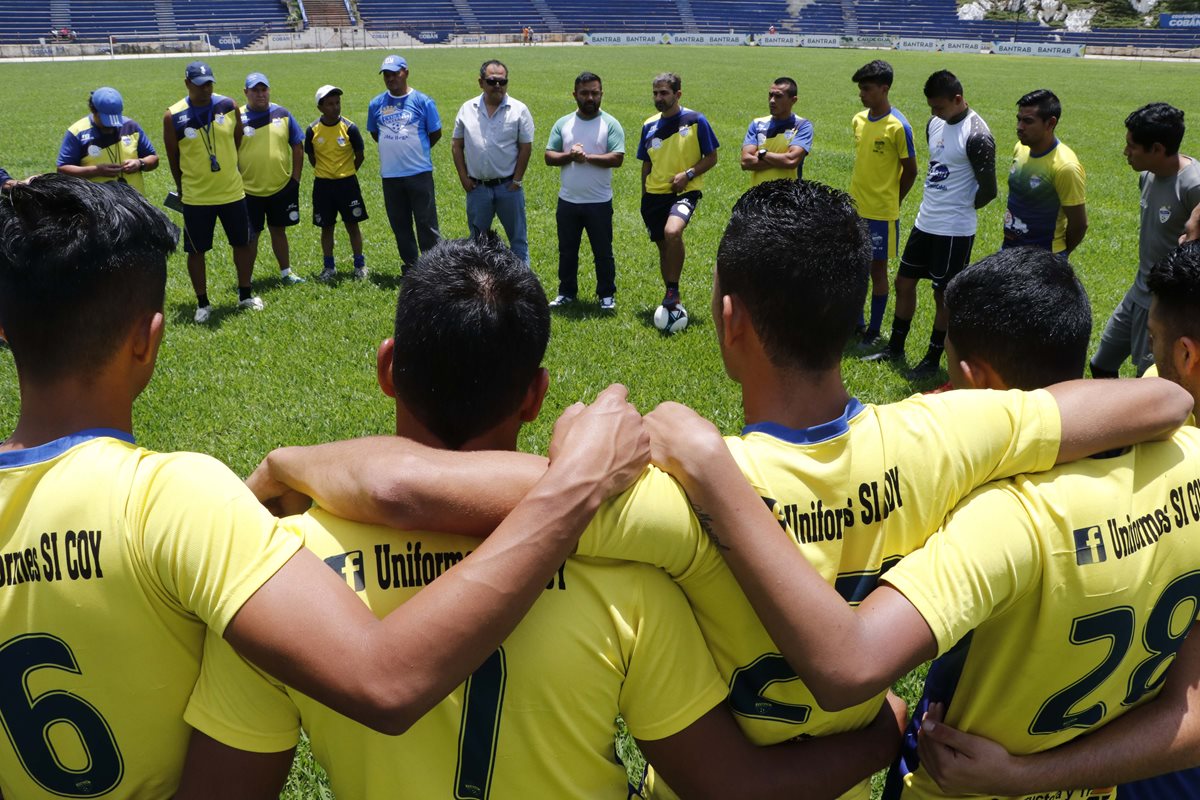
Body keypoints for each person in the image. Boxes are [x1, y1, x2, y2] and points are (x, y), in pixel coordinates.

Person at [245, 181, 1182, 800]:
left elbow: (414, 489)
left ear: (728, 322)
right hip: (842, 777)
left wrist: (291, 464)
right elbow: (1155, 399)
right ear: (853, 311)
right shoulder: (946, 436)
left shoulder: (677, 493)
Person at [175, 232, 906, 800]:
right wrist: (884, 735)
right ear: (535, 396)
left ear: (388, 368)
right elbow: (732, 788)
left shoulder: (282, 573)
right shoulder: (623, 569)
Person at [0, 174, 653, 799]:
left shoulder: (243, 524)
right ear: (149, 339)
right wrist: (579, 481)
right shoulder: (171, 500)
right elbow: (384, 677)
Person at [649, 245, 1200, 800]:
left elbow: (851, 662)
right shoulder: (1190, 460)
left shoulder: (1004, 519)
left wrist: (710, 467)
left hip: (956, 782)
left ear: (976, 381)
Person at [904, 241, 1200, 800]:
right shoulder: (1182, 452)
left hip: (978, 775)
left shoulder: (1006, 515)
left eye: (1155, 340)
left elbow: (852, 660)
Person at [866, 69, 997, 380]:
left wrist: (959, 206)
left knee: (943, 296)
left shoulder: (978, 135)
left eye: (939, 107)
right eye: (931, 107)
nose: (935, 113)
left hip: (954, 230)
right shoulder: (934, 123)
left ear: (958, 99)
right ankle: (895, 348)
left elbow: (989, 190)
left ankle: (931, 359)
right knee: (904, 283)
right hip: (925, 221)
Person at [1091, 103, 1200, 378]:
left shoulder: (1192, 186)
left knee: (1150, 379)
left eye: (1132, 146)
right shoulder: (1147, 177)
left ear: (1157, 149)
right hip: (1137, 292)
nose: (1125, 152)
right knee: (1101, 365)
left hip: (1165, 302)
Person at [162, 61, 262, 323]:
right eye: (199, 85)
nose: (205, 89)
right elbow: (173, 157)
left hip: (232, 192)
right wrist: (183, 186)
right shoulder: (173, 116)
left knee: (242, 243)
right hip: (197, 197)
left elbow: (237, 139)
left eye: (209, 84)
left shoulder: (228, 106)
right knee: (196, 251)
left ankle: (245, 294)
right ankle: (203, 303)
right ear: (187, 84)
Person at [847, 60, 917, 347]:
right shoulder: (858, 120)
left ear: (884, 88)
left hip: (881, 213)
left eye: (867, 89)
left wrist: (893, 200)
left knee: (876, 270)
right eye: (860, 89)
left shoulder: (898, 126)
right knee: (855, 267)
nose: (861, 94)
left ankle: (874, 331)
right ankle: (857, 323)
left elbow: (911, 170)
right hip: (855, 208)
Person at [637, 72, 719, 313]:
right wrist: (644, 195)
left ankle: (673, 289)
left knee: (673, 232)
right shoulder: (648, 125)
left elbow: (712, 157)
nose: (658, 98)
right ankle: (671, 296)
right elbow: (646, 164)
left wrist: (688, 174)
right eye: (655, 93)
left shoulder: (696, 120)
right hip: (654, 195)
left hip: (684, 191)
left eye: (664, 93)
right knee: (664, 249)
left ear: (678, 94)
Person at [545, 71, 625, 310]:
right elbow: (549, 156)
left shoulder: (610, 123)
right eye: (584, 93)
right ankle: (566, 292)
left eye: (595, 93)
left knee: (603, 252)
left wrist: (586, 157)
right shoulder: (564, 123)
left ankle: (606, 295)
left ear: (601, 94)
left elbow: (617, 158)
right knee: (567, 251)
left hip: (599, 202)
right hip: (568, 201)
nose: (590, 98)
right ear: (574, 95)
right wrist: (570, 155)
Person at [451, 60, 534, 265]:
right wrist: (463, 178)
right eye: (492, 81)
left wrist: (517, 180)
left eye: (502, 81)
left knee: (518, 241)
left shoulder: (519, 110)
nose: (498, 86)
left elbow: (525, 147)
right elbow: (456, 145)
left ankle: (522, 283)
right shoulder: (467, 109)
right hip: (478, 188)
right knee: (476, 244)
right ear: (481, 82)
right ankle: (481, 283)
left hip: (509, 188)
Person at [367, 54, 442, 274]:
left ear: (406, 72)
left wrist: (416, 151)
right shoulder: (376, 104)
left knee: (426, 223)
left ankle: (432, 270)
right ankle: (411, 268)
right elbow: (375, 133)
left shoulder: (423, 101)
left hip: (419, 173)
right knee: (400, 224)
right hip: (391, 176)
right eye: (386, 75)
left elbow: (435, 133)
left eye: (395, 73)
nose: (391, 78)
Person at [1001, 89, 1087, 258]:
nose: (1019, 127)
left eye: (1028, 121)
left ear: (1050, 123)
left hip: (1043, 259)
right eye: (1018, 119)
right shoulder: (1020, 148)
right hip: (1009, 250)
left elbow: (1079, 225)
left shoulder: (1066, 167)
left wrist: (1057, 257)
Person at [237, 72, 305, 285]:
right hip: (248, 190)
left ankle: (286, 273)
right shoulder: (237, 118)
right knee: (251, 236)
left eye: (263, 89)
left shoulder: (282, 114)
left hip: (280, 187)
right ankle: (246, 281)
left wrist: (295, 179)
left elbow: (297, 145)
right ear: (246, 92)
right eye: (255, 90)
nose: (260, 94)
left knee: (279, 230)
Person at [306, 85, 368, 281]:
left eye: (337, 103)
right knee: (326, 227)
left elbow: (360, 155)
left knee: (352, 225)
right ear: (320, 107)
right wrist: (327, 172)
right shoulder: (312, 130)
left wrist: (346, 172)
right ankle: (329, 267)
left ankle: (359, 265)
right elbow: (312, 157)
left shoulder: (350, 128)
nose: (335, 107)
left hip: (347, 185)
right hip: (323, 186)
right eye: (330, 104)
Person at [57, 86, 158, 195]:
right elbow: (62, 170)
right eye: (105, 120)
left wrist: (140, 163)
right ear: (93, 110)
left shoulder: (131, 127)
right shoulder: (78, 132)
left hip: (134, 201)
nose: (110, 126)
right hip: (96, 202)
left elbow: (153, 158)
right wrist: (96, 171)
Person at [740, 77, 812, 186]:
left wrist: (761, 154)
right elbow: (746, 162)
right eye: (770, 95)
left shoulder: (802, 126)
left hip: (789, 193)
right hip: (758, 194)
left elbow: (791, 161)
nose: (772, 101)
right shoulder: (757, 124)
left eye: (778, 96)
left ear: (793, 100)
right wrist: (782, 159)